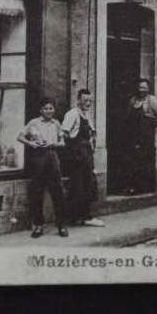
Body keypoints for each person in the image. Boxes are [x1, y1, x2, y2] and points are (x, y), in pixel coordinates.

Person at [17, 97, 68, 238]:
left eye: (51, 108)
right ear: (41, 110)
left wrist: (53, 144)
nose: (49, 111)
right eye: (46, 108)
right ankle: (38, 226)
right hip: (38, 158)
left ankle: (61, 225)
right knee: (37, 192)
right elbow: (20, 137)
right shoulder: (34, 123)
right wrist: (32, 144)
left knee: (57, 192)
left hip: (52, 157)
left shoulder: (56, 123)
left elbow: (62, 142)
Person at [61, 88, 104, 227]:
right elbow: (64, 133)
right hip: (77, 156)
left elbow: (90, 135)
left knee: (88, 185)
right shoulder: (72, 114)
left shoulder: (86, 115)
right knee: (77, 186)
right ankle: (76, 217)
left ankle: (84, 216)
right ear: (78, 100)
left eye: (90, 101)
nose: (88, 103)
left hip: (86, 155)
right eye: (85, 100)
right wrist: (73, 152)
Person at [127, 78, 157, 193]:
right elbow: (129, 116)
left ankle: (145, 188)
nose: (141, 90)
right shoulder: (133, 101)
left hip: (146, 137)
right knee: (134, 160)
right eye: (139, 87)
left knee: (145, 160)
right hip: (134, 135)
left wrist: (152, 125)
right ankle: (134, 187)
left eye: (144, 87)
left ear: (148, 89)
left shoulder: (151, 100)